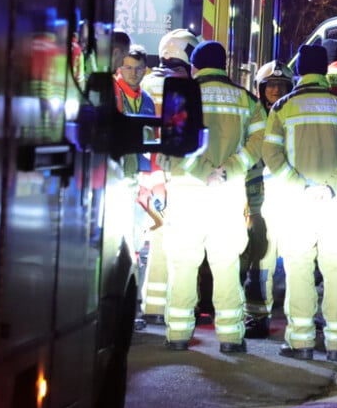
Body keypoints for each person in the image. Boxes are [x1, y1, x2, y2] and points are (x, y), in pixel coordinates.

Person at [263, 45, 337, 362]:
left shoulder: (282, 107)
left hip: (297, 203)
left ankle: (301, 341)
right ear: (324, 71)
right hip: (335, 203)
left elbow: (271, 154)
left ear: (299, 72)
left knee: (299, 270)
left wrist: (300, 185)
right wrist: (332, 185)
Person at [160, 41, 266, 354]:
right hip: (227, 193)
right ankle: (231, 337)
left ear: (194, 67)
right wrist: (231, 168)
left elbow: (173, 144)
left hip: (187, 192)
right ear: (224, 66)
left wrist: (203, 170)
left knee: (183, 264)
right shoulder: (246, 100)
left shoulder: (181, 95)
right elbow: (261, 140)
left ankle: (178, 334)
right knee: (226, 264)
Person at [138, 29, 198, 326]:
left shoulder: (146, 82)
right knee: (177, 246)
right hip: (171, 171)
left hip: (146, 172)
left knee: (156, 239)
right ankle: (173, 307)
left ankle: (152, 305)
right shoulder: (182, 85)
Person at [242, 60, 294, 339]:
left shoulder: (292, 113)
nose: (276, 90)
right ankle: (257, 317)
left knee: (299, 260)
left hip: (289, 196)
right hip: (256, 198)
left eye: (281, 85)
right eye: (271, 85)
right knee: (260, 261)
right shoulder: (252, 114)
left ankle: (299, 316)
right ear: (260, 88)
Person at [113, 43, 157, 331]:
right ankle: (122, 307)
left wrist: (152, 181)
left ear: (145, 70)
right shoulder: (113, 93)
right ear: (120, 68)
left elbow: (152, 141)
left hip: (139, 182)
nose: (133, 73)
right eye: (128, 67)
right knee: (122, 245)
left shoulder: (147, 100)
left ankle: (134, 307)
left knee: (138, 245)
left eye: (138, 68)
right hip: (117, 178)